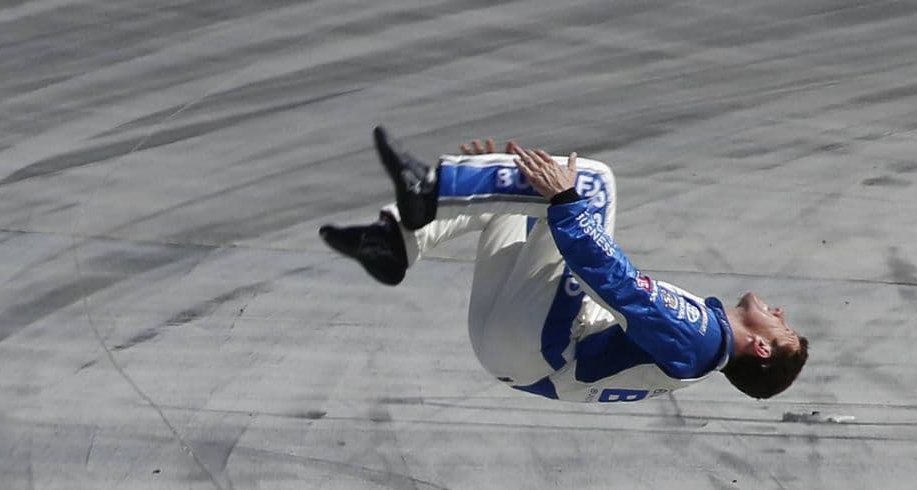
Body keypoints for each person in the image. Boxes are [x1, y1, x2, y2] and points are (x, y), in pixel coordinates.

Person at [320, 128, 808, 402]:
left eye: (782, 326)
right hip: (519, 353)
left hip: (545, 345)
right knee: (529, 197)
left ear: (762, 348)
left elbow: (617, 283)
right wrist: (520, 187)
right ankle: (395, 244)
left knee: (592, 183)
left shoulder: (701, 336)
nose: (780, 311)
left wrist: (565, 197)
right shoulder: (699, 347)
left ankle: (433, 188)